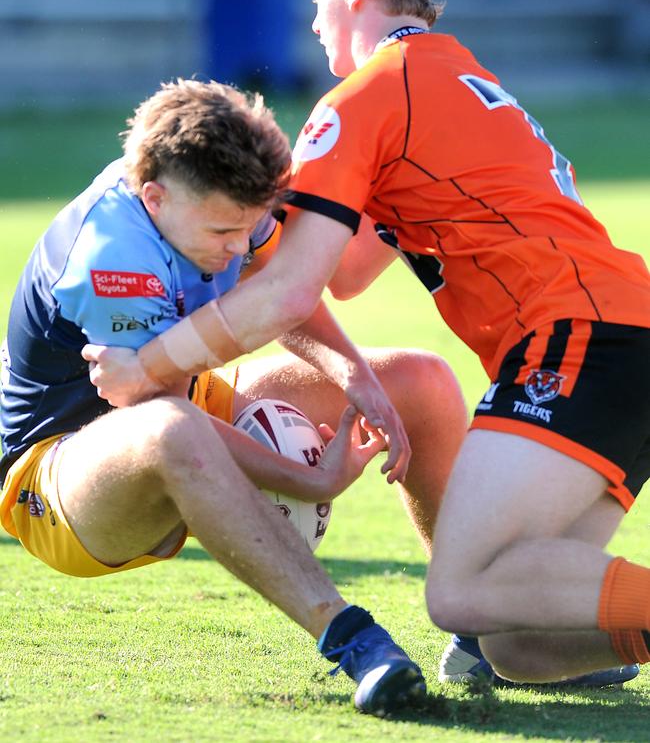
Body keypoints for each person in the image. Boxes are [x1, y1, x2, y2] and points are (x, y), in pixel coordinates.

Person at [84, 0, 650, 688]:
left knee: (460, 592)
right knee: (515, 642)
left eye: (317, 2)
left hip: (579, 339)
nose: (314, 25)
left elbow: (289, 293)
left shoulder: (371, 94)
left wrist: (149, 365)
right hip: (619, 339)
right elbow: (344, 272)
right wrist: (269, 198)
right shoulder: (458, 78)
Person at [0, 79, 470, 717]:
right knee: (169, 427)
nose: (235, 247)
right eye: (223, 231)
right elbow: (158, 411)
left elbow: (280, 288)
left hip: (184, 404)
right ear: (154, 198)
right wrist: (308, 481)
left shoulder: (217, 197)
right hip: (59, 483)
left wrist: (356, 376)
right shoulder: (113, 257)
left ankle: (479, 626)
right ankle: (353, 638)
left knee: (421, 381)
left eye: (248, 228)